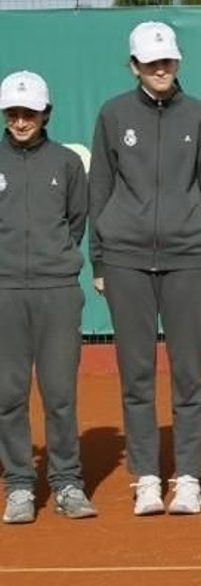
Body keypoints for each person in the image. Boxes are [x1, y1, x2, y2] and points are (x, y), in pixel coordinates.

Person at [89, 21, 201, 517]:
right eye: (150, 62)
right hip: (124, 260)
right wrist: (99, 258)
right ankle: (146, 478)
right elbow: (99, 188)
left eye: (166, 60)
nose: (160, 68)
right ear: (134, 66)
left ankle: (187, 478)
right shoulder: (113, 115)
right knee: (137, 376)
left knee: (189, 373)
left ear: (177, 60)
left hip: (187, 258)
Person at [0, 71, 96, 524]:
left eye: (30, 113)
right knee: (7, 395)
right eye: (13, 113)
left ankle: (67, 483)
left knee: (59, 394)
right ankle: (19, 485)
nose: (21, 121)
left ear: (46, 114)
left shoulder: (67, 163)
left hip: (57, 291)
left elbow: (76, 222)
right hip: (4, 292)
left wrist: (54, 261)